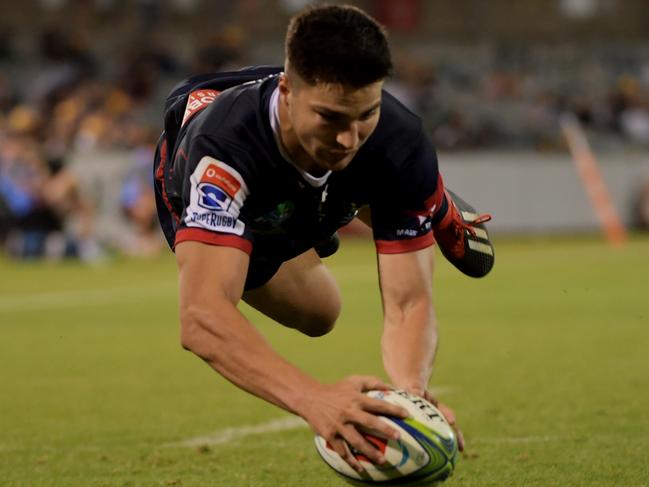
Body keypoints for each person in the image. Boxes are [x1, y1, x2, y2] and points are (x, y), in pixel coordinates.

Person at [154, 5, 494, 473]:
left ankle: (424, 201)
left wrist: (411, 400)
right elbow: (201, 317)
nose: (349, 137)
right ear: (287, 90)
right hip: (232, 185)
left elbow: (409, 301)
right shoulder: (222, 153)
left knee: (368, 172)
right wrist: (316, 400)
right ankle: (418, 201)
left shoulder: (398, 135)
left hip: (319, 180)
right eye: (331, 117)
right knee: (319, 314)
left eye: (365, 115)